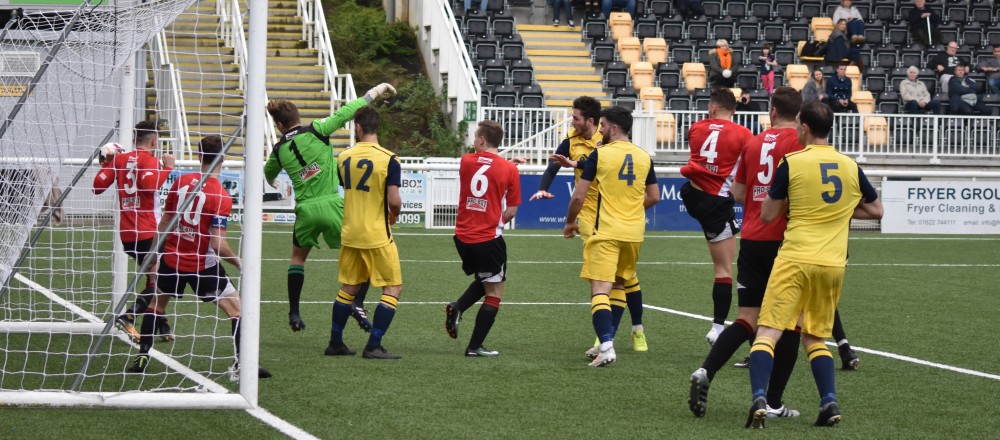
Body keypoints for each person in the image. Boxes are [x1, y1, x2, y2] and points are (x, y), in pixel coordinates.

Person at [745, 102, 883, 429]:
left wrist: (794, 204)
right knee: (814, 337)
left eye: (798, 125)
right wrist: (839, 212)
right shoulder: (849, 165)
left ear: (805, 128)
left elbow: (768, 215)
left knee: (768, 331)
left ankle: (760, 398)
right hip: (832, 263)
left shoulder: (792, 162)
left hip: (795, 257)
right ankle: (828, 401)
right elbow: (876, 211)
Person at [689, 87, 806, 421]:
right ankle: (774, 402)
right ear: (798, 115)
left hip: (752, 238)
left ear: (772, 111)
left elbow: (738, 193)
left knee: (746, 320)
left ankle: (705, 370)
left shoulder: (753, 142)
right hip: (784, 241)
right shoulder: (799, 142)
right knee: (792, 323)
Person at [127, 136, 272, 380]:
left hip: (172, 260)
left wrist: (153, 253)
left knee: (156, 306)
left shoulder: (181, 181)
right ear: (223, 158)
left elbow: (165, 222)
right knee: (237, 310)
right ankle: (243, 363)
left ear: (198, 155)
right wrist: (238, 261)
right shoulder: (221, 195)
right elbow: (217, 244)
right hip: (202, 266)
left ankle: (142, 357)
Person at [264, 82, 396, 334]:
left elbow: (268, 172)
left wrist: (273, 181)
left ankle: (294, 312)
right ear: (298, 117)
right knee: (362, 256)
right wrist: (375, 92)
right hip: (333, 205)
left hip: (306, 210)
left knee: (297, 259)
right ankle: (356, 302)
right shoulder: (316, 130)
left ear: (279, 126)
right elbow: (348, 112)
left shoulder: (278, 150)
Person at [531, 96, 650, 352]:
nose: (572, 122)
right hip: (589, 216)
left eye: (575, 118)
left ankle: (632, 330)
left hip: (611, 213)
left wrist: (574, 164)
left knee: (619, 278)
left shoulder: (605, 142)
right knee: (611, 278)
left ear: (593, 121)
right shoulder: (571, 140)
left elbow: (594, 162)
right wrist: (542, 187)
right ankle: (606, 336)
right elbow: (553, 166)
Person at [563, 106, 658, 367]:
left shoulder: (600, 154)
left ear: (614, 128)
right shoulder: (644, 156)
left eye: (603, 126)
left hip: (606, 232)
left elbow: (579, 196)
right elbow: (654, 197)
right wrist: (631, 212)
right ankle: (607, 341)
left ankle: (606, 346)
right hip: (634, 234)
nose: (601, 130)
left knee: (599, 289)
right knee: (618, 285)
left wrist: (570, 222)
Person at [328, 106, 404, 360]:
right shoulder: (389, 159)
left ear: (357, 128)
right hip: (377, 235)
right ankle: (373, 345)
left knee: (348, 288)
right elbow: (394, 202)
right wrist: (393, 217)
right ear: (376, 127)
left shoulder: (343, 157)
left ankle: (335, 342)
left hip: (351, 233)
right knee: (392, 288)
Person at [680, 88, 753, 346]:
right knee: (724, 270)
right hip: (715, 201)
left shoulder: (696, 128)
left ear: (712, 108)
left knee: (723, 259)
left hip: (692, 194)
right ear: (734, 110)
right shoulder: (743, 134)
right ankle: (718, 328)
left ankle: (720, 327)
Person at [93, 120, 175, 343]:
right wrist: (168, 167)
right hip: (148, 232)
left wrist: (106, 164)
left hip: (128, 234)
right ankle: (129, 316)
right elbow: (149, 186)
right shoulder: (149, 160)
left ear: (133, 139)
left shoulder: (120, 159)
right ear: (154, 142)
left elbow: (97, 187)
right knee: (165, 280)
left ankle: (161, 325)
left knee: (154, 277)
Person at [444, 120, 521, 357]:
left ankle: (458, 307)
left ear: (481, 140)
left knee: (486, 277)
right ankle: (474, 347)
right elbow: (511, 211)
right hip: (488, 239)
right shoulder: (509, 169)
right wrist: (497, 221)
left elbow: (485, 169)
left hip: (462, 237)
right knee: (494, 292)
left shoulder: (466, 161)